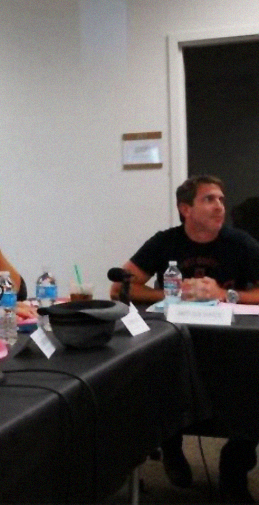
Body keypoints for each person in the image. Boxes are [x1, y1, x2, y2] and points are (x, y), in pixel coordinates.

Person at [110, 174, 259, 502]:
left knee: (251, 389)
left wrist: (222, 293)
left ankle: (234, 468)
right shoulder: (165, 242)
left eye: (221, 199)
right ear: (185, 209)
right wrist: (170, 294)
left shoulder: (241, 243)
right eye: (209, 199)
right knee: (155, 379)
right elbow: (121, 286)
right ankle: (171, 446)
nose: (220, 206)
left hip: (231, 343)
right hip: (176, 339)